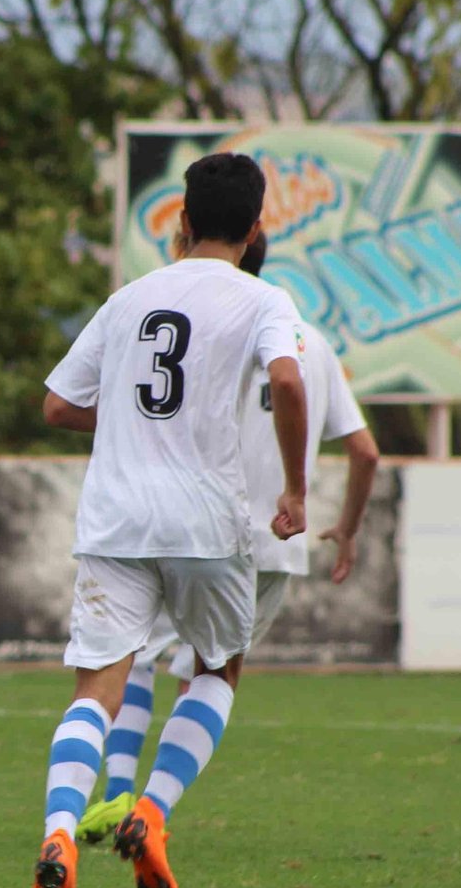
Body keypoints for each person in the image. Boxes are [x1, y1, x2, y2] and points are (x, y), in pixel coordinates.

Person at [26, 153, 309, 888]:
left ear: (180, 223)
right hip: (206, 522)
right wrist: (294, 489)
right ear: (256, 231)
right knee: (216, 670)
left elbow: (55, 404)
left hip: (117, 519)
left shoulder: (128, 298)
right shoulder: (263, 297)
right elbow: (287, 382)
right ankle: (150, 812)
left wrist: (123, 419)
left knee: (97, 692)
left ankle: (58, 830)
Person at [76, 232, 381, 843]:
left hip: (205, 524)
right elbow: (364, 450)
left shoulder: (212, 326)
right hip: (274, 543)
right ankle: (152, 808)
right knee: (210, 673)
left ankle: (119, 794)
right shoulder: (310, 344)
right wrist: (341, 526)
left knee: (132, 654)